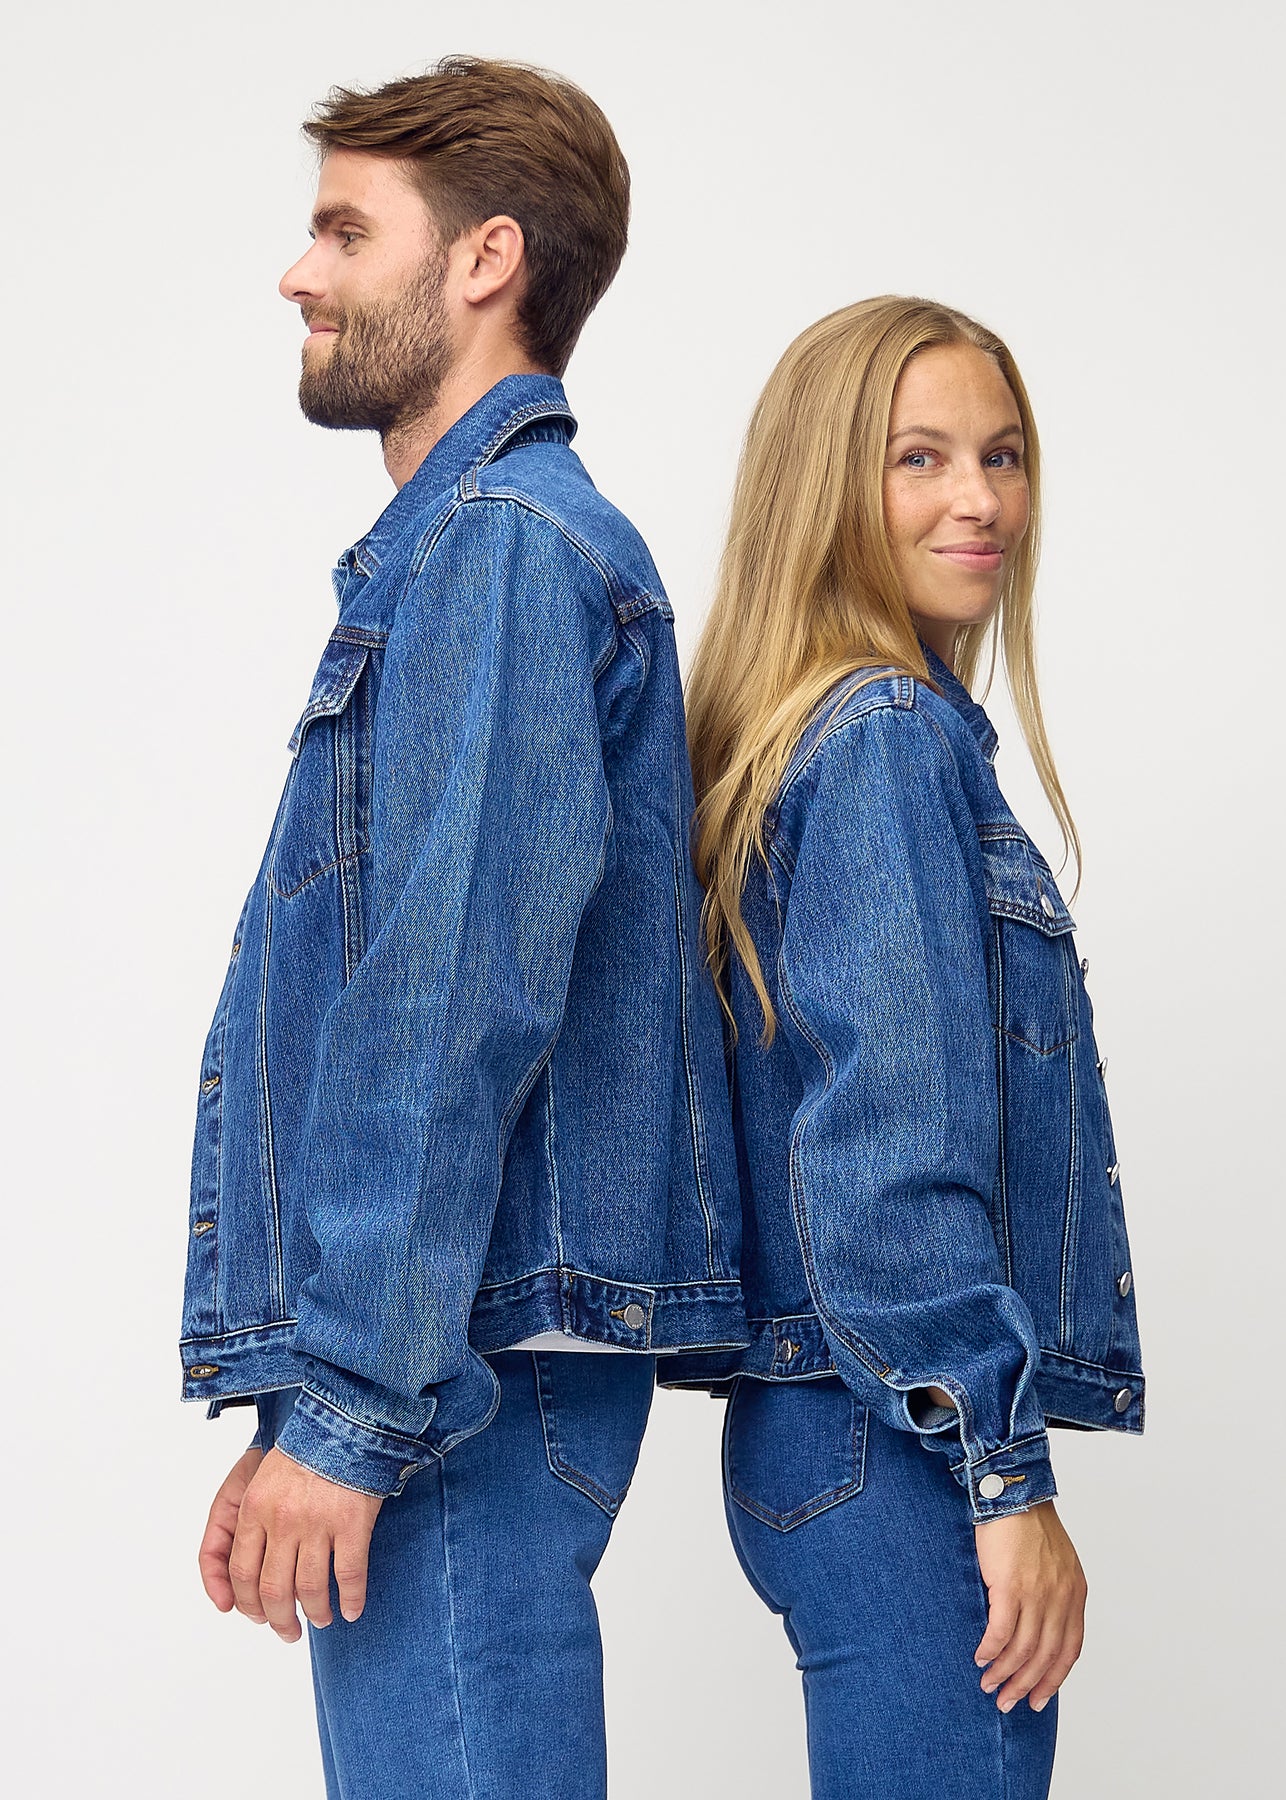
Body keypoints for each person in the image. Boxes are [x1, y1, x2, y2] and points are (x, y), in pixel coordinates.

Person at [181, 57, 744, 1799]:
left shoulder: (503, 546)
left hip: (453, 1373)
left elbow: (450, 995)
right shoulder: (468, 552)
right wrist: (315, 1395)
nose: (299, 273)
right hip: (442, 1349)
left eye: (346, 232)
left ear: (486, 258)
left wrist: (352, 1406)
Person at [664, 296, 1145, 1798]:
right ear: (825, 486)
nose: (977, 500)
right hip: (898, 1439)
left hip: (822, 1430)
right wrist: (1000, 1471)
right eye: (918, 458)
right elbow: (886, 1142)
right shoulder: (881, 737)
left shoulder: (821, 730)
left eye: (1001, 455)